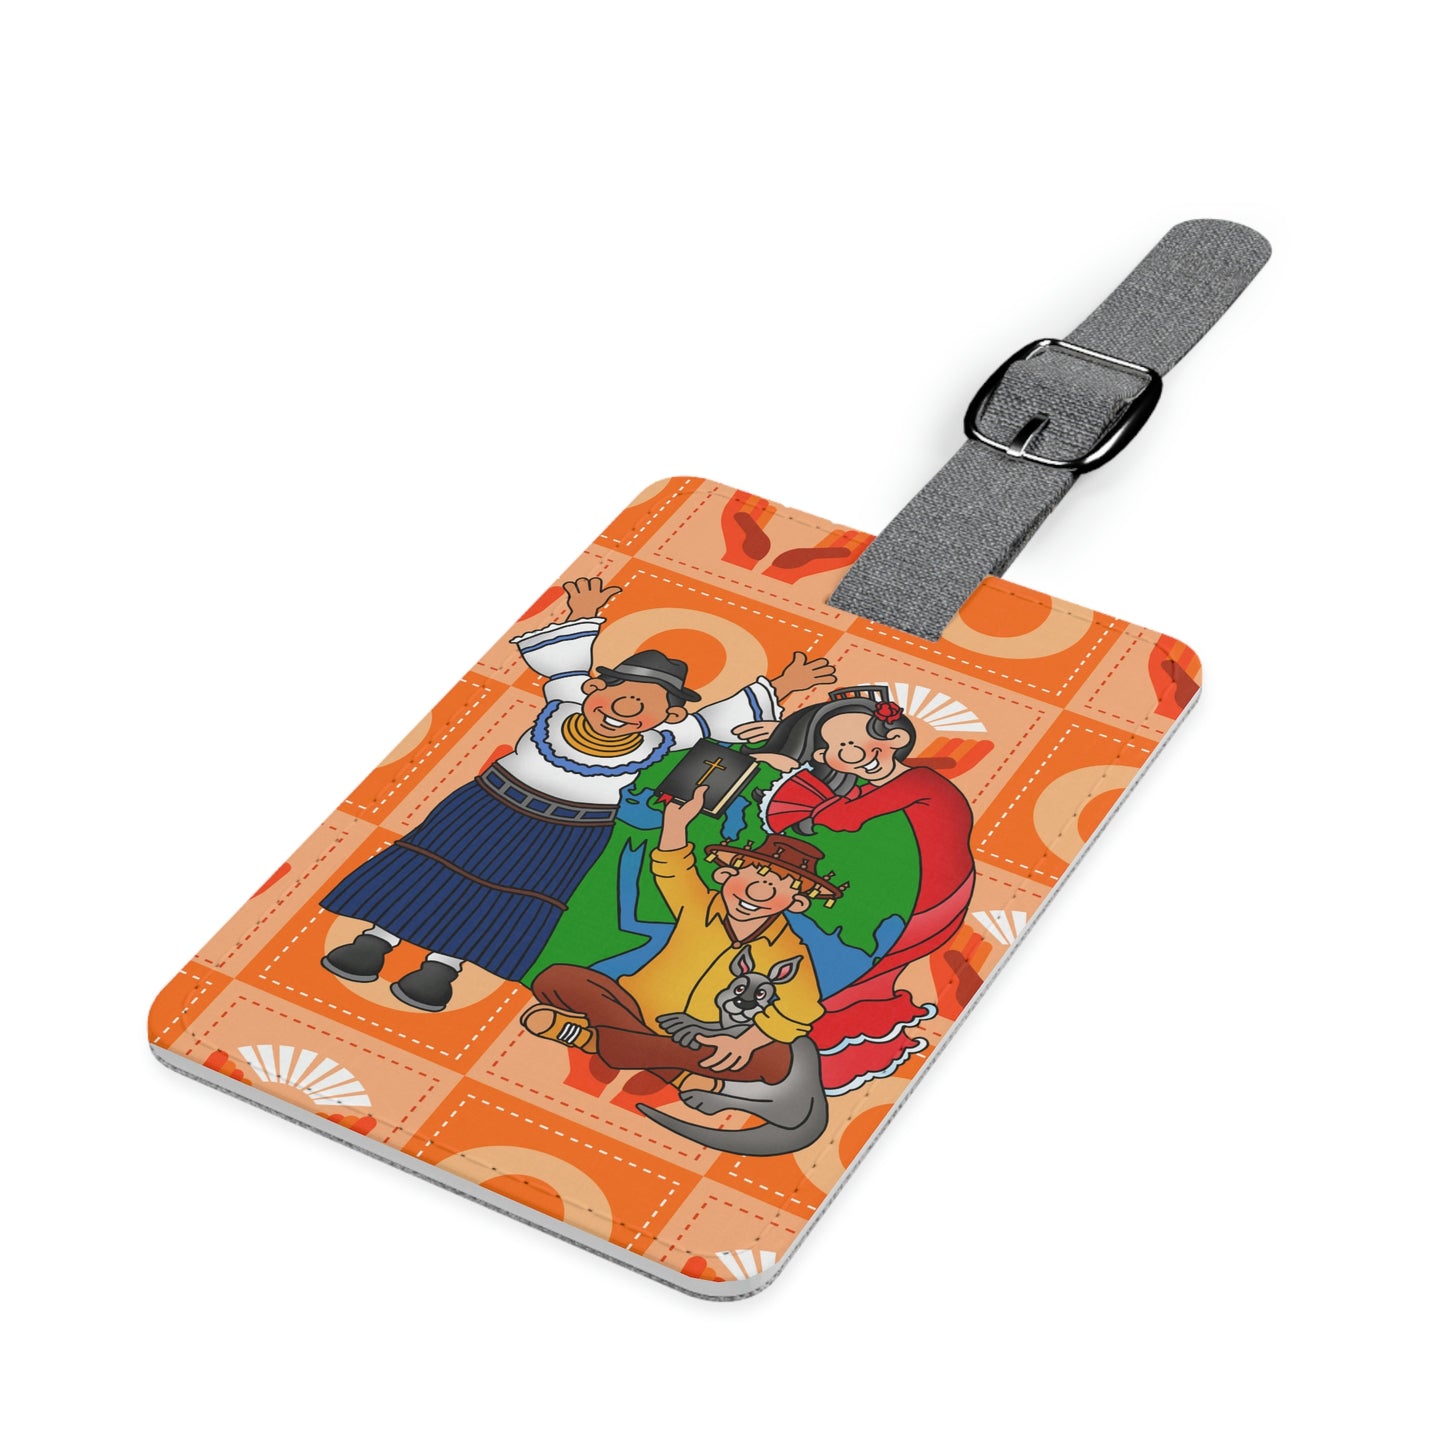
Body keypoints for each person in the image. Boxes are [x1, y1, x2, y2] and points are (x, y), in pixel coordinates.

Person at [318, 576, 836, 1011]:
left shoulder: (663, 738)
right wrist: (582, 612)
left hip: (570, 831)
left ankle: (442, 966)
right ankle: (377, 938)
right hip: (491, 806)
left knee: (507, 896)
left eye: (648, 704)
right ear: (594, 688)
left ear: (671, 714)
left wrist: (782, 686)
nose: (626, 709)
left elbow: (715, 720)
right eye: (619, 694)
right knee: (433, 868)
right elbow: (564, 660)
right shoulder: (565, 698)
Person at [521, 784, 844, 1086]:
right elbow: (674, 869)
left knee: (776, 1062)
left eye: (778, 887)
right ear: (725, 874)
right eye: (753, 878)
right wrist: (675, 824)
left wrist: (745, 1043)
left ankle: (600, 1041)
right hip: (631, 1008)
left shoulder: (789, 952)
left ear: (797, 903)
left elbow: (800, 1012)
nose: (758, 893)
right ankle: (658, 1063)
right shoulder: (699, 905)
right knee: (555, 979)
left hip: (704, 1035)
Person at [751, 686, 976, 1092]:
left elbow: (841, 819)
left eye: (858, 741)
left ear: (896, 738)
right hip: (908, 900)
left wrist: (795, 771)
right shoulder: (870, 788)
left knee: (837, 975)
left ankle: (818, 1067)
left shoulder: (918, 782)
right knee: (847, 978)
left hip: (923, 906)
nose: (850, 753)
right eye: (835, 747)